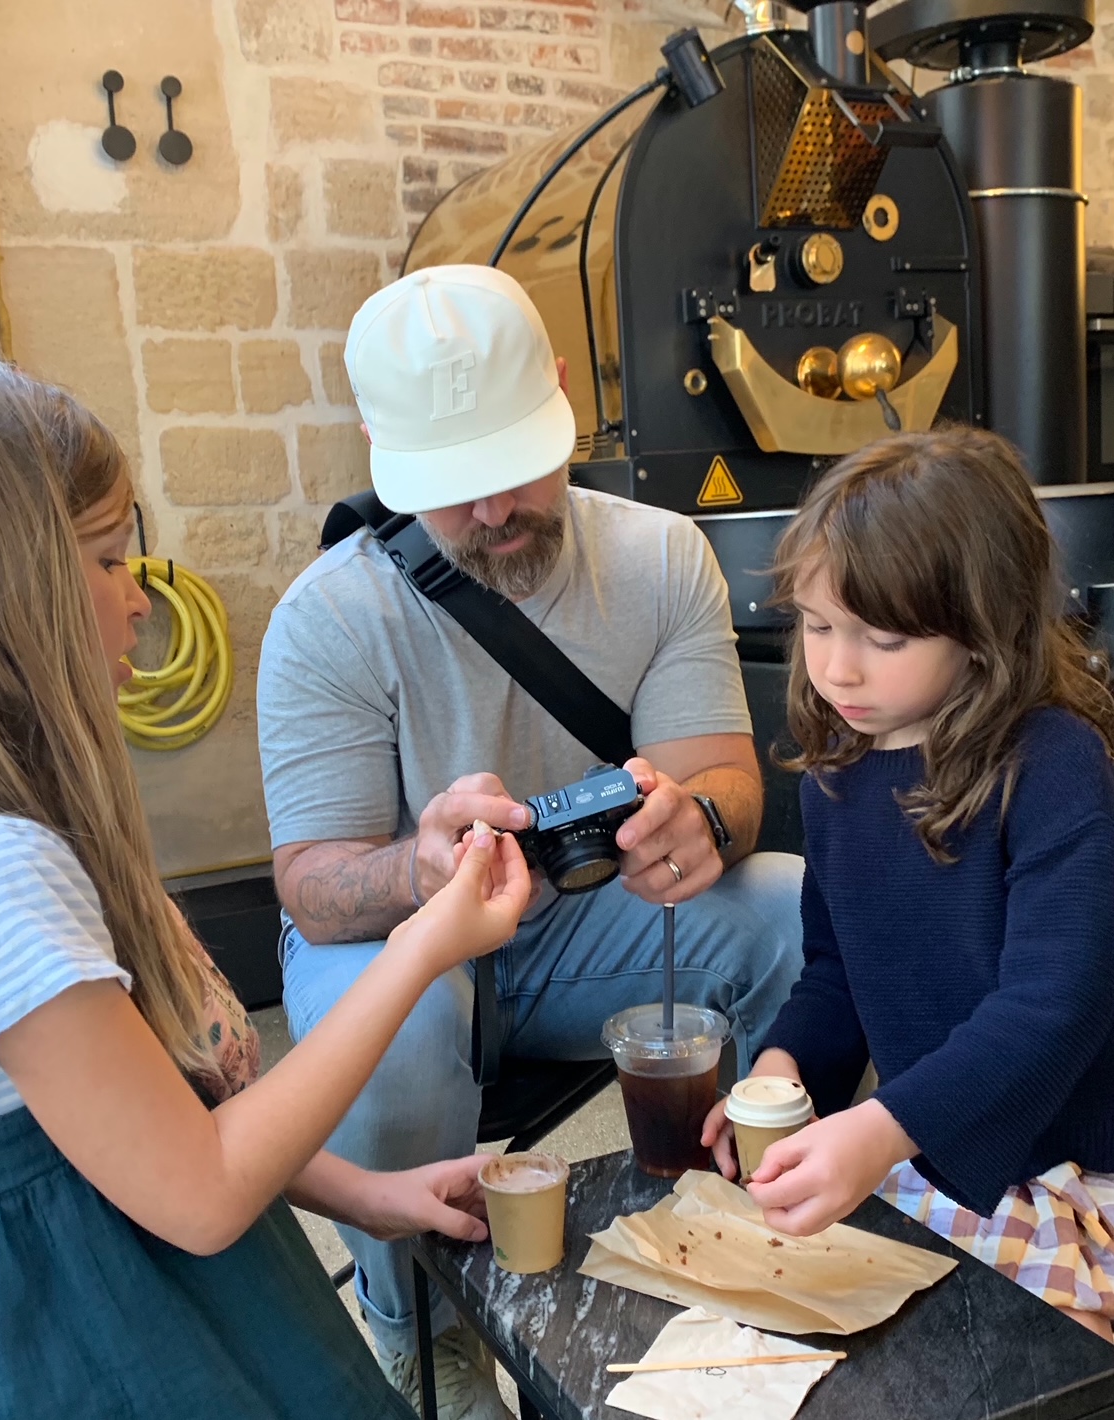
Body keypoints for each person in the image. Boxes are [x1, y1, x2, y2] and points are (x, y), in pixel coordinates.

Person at [257, 262, 804, 1418]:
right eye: (451, 489)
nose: (494, 511)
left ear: (562, 393)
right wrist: (421, 867)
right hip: (409, 934)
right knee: (401, 1016)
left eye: (513, 466)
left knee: (792, 907)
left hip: (584, 924)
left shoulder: (658, 555)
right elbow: (309, 888)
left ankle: (764, 1228)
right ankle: (421, 1324)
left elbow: (726, 782)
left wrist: (699, 823)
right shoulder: (329, 615)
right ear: (378, 448)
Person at [0, 358, 534, 1418]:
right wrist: (427, 938)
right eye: (107, 559)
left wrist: (365, 1194)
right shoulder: (3, 870)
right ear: (14, 593)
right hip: (112, 1331)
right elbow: (196, 1186)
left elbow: (159, 1113)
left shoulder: (37, 833)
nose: (140, 594)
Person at [701, 426, 1114, 1340]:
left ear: (984, 628)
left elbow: (1054, 1007)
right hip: (937, 1145)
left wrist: (882, 1127)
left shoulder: (1055, 765)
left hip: (1081, 1169)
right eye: (814, 626)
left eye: (882, 638)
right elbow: (838, 974)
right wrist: (783, 1070)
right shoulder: (836, 776)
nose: (838, 666)